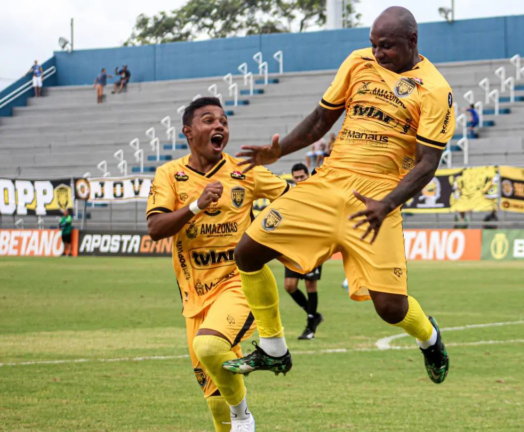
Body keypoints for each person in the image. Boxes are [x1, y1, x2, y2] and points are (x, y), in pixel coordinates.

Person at [223, 7, 452, 387]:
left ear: (412, 41)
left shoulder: (435, 90)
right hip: (327, 185)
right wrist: (278, 152)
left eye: (387, 47)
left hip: (377, 200)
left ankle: (430, 338)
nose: (378, 53)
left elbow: (427, 164)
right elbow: (320, 120)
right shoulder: (357, 63)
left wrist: (388, 203)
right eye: (374, 45)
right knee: (247, 252)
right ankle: (273, 348)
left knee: (391, 309)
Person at [145, 97, 290, 432]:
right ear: (188, 131)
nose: (219, 126)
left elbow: (294, 196)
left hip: (238, 282)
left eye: (223, 121)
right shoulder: (169, 174)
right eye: (208, 120)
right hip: (194, 296)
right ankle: (234, 418)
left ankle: (244, 417)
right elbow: (155, 228)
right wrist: (195, 206)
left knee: (210, 345)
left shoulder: (246, 171)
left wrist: (274, 235)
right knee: (213, 398)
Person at [283, 163, 325, 340]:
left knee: (310, 285)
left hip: (314, 245)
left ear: (308, 175)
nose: (299, 180)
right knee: (289, 286)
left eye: (302, 176)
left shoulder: (316, 194)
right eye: (296, 177)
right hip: (295, 246)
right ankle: (314, 315)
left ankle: (310, 327)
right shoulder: (291, 195)